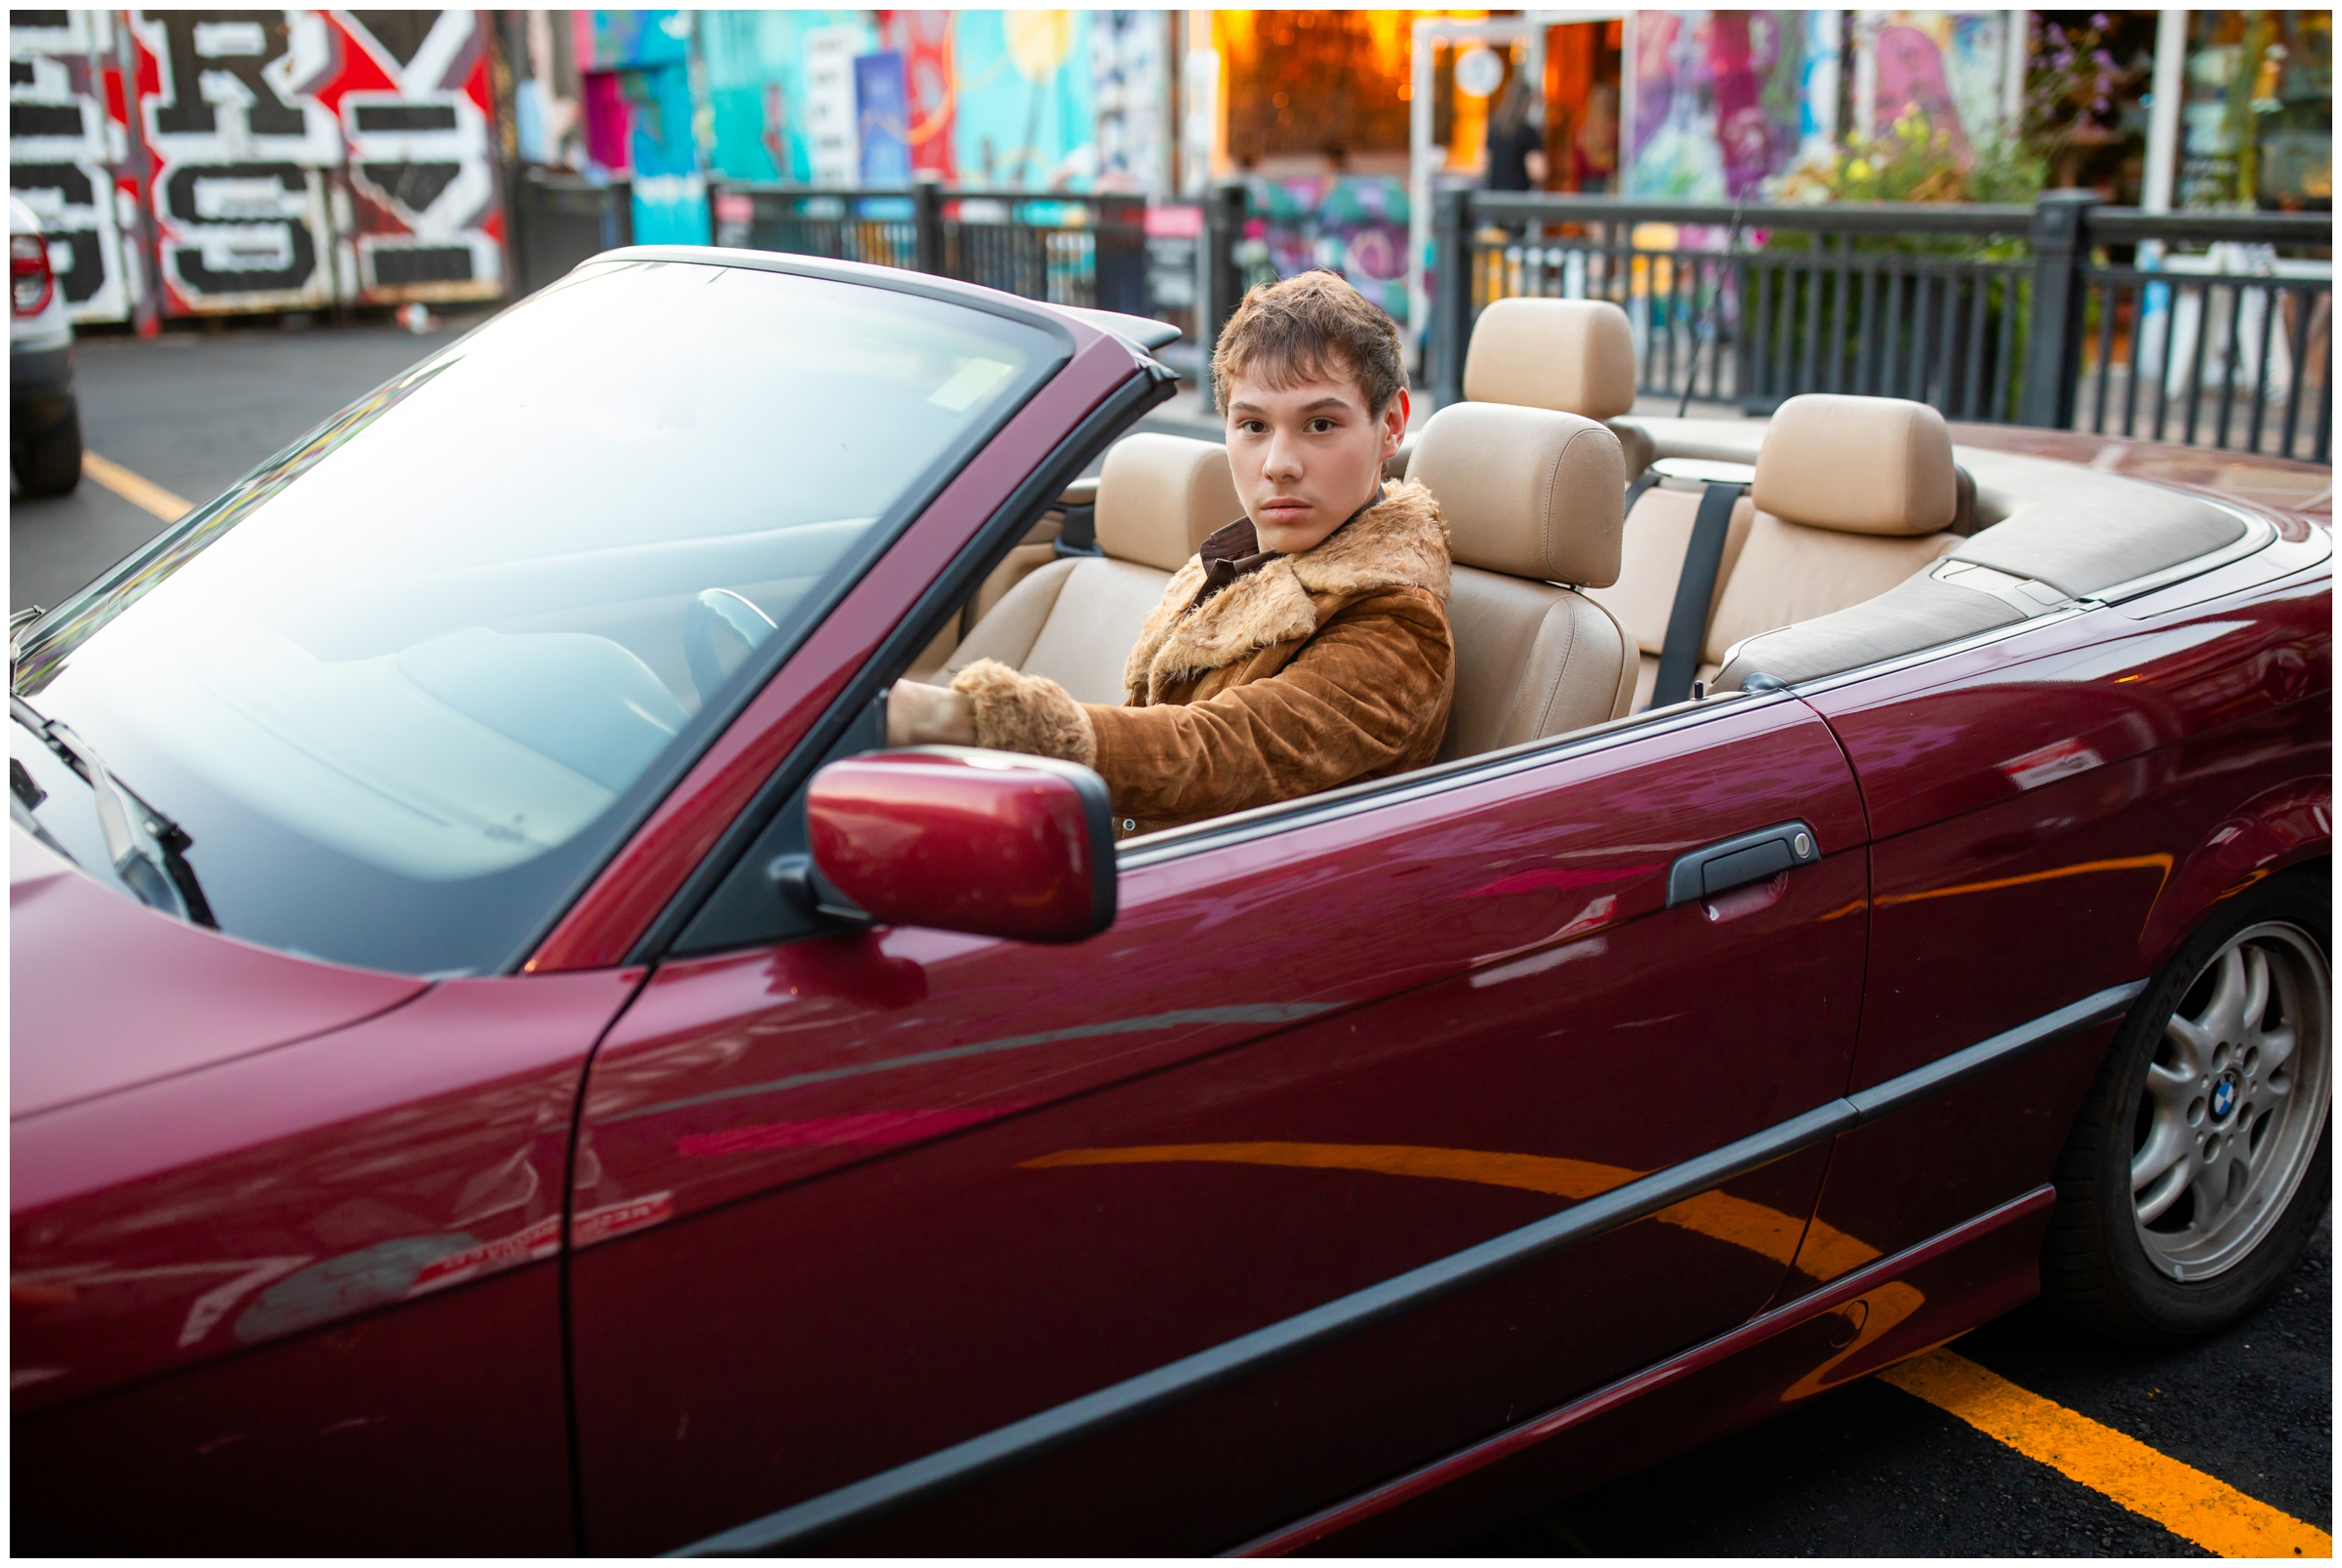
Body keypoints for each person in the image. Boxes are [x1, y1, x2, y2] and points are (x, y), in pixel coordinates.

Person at [884, 270, 1456, 836]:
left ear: (1392, 426)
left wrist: (959, 720)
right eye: (1253, 425)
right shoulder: (1235, 568)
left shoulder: (1398, 626)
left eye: (1320, 424)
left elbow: (1217, 752)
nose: (1280, 463)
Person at [1484, 76, 1549, 193]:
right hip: (1518, 198)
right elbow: (1538, 172)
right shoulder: (1527, 132)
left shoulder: (1494, 127)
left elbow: (1485, 163)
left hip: (1494, 195)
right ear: (1526, 101)